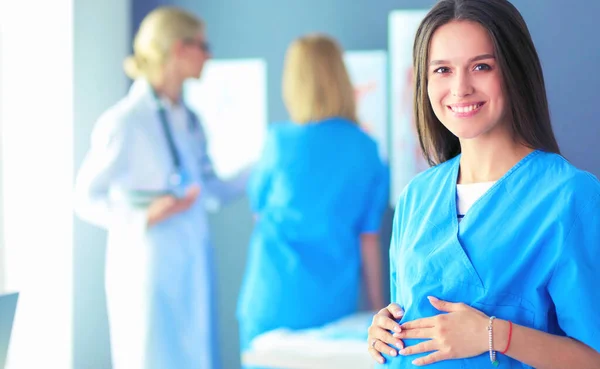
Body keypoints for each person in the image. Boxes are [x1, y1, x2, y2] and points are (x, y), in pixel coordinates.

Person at [367, 0, 600, 368]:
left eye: (481, 66)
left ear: (514, 71)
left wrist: (495, 335)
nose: (460, 88)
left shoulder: (571, 197)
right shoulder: (416, 196)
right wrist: (384, 329)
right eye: (442, 70)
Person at [74, 7, 249, 369]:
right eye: (203, 45)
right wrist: (143, 216)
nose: (209, 55)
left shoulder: (189, 119)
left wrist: (263, 166)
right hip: (146, 268)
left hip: (191, 262)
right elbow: (84, 198)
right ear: (178, 50)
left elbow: (212, 190)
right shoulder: (125, 121)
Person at [237, 34, 390, 358]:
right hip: (333, 305)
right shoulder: (366, 149)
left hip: (271, 299)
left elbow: (259, 213)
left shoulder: (277, 142)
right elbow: (368, 239)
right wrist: (378, 307)